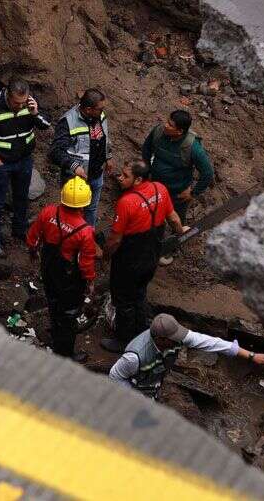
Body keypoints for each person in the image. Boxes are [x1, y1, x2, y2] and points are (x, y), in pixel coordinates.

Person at [99, 160, 187, 353]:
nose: (120, 178)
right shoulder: (160, 189)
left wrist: (105, 258)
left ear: (138, 179)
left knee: (123, 300)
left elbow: (114, 240)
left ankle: (124, 340)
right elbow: (173, 218)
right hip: (151, 257)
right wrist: (182, 233)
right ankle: (142, 330)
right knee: (139, 293)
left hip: (129, 260)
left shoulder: (126, 202)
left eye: (125, 176)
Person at [109, 314, 264, 399]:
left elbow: (210, 342)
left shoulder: (174, 338)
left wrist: (250, 355)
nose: (181, 340)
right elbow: (115, 376)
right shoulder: (134, 357)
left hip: (152, 386)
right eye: (176, 338)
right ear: (160, 339)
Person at [26, 177, 100, 362]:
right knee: (69, 313)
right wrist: (90, 281)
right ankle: (65, 353)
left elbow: (33, 237)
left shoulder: (48, 212)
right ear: (84, 205)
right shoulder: (85, 231)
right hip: (69, 276)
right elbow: (85, 262)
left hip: (49, 266)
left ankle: (55, 328)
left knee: (52, 298)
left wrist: (33, 252)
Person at [0, 79, 51, 257]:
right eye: (16, 103)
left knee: (21, 197)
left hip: (24, 159)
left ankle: (19, 229)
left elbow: (45, 125)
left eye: (23, 102)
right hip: (1, 163)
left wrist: (35, 113)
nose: (20, 106)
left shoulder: (30, 103)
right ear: (8, 95)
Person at [141, 109, 214, 265]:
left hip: (177, 194)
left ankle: (170, 249)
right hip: (155, 187)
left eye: (170, 125)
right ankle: (150, 247)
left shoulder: (193, 148)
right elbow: (146, 149)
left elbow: (207, 173)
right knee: (153, 220)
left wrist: (193, 192)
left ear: (180, 131)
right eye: (167, 121)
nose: (165, 125)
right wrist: (146, 172)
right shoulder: (159, 132)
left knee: (176, 222)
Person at [48, 88, 113, 226]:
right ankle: (67, 237)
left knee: (91, 209)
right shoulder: (68, 122)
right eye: (100, 109)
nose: (103, 111)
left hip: (97, 174)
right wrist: (74, 166)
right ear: (88, 109)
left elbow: (105, 138)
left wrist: (108, 157)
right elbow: (55, 151)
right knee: (69, 211)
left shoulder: (99, 116)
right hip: (75, 179)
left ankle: (87, 240)